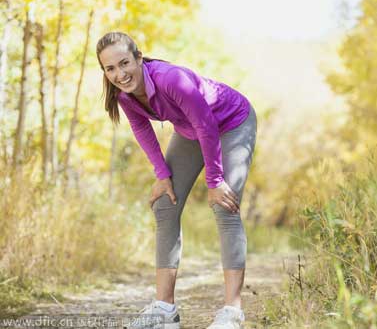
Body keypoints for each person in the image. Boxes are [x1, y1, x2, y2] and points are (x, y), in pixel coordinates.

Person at [96, 32, 257, 329]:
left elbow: (207, 124)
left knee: (225, 205)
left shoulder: (171, 79)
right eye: (110, 69)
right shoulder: (124, 96)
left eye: (124, 63)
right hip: (192, 131)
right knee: (164, 205)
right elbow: (143, 131)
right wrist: (162, 176)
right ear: (104, 72)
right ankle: (164, 310)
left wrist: (215, 180)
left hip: (232, 123)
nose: (120, 74)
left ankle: (232, 312)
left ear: (139, 57)